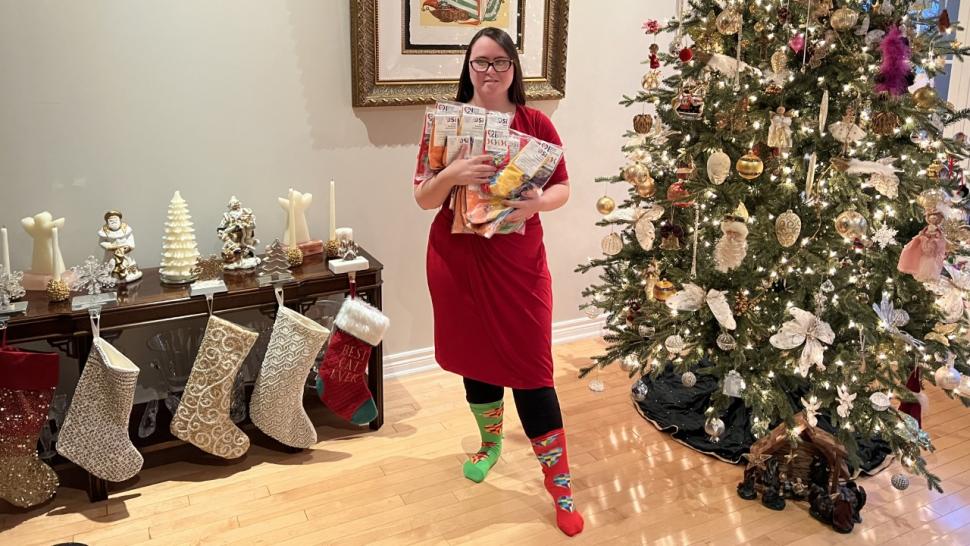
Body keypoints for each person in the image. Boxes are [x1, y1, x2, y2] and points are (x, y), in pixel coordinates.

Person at [413, 27, 582, 536]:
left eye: (500, 63)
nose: (489, 72)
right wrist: (453, 174)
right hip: (457, 260)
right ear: (467, 66)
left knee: (534, 373)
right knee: (475, 360)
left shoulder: (536, 124)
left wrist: (537, 203)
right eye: (480, 62)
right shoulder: (446, 122)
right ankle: (489, 445)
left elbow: (564, 188)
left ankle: (561, 487)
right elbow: (423, 197)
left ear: (514, 68)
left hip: (517, 262)